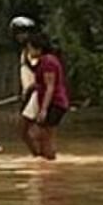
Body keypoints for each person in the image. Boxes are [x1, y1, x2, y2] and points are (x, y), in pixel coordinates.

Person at [27, 32, 70, 160]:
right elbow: (44, 83)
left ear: (39, 48)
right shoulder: (45, 61)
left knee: (44, 136)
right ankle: (47, 161)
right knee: (44, 135)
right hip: (54, 103)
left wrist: (43, 110)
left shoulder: (48, 62)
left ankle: (49, 162)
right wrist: (33, 87)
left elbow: (50, 87)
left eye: (30, 48)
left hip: (55, 103)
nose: (29, 52)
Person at [9, 17, 39, 156]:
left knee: (25, 129)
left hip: (35, 95)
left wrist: (32, 89)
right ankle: (39, 155)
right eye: (18, 33)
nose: (21, 36)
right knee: (26, 130)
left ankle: (41, 155)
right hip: (30, 94)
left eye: (24, 32)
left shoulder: (33, 51)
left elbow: (40, 72)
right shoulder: (25, 52)